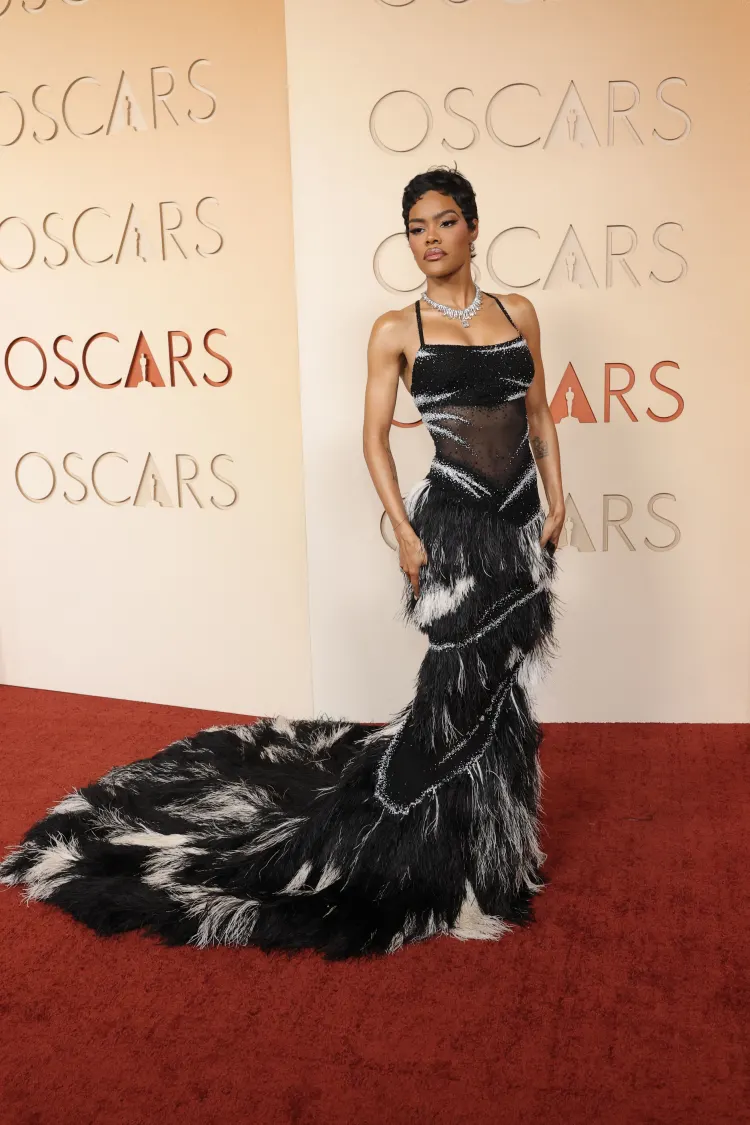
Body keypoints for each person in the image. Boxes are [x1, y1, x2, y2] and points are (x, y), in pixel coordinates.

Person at [0, 166, 564, 961]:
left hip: (522, 525)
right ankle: (422, 841)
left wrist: (560, 497)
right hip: (456, 528)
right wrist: (404, 532)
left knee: (507, 687)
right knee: (455, 691)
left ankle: (497, 844)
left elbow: (536, 412)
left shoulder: (519, 312)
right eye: (414, 227)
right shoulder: (396, 329)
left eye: (442, 223)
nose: (429, 240)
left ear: (473, 226)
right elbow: (372, 438)